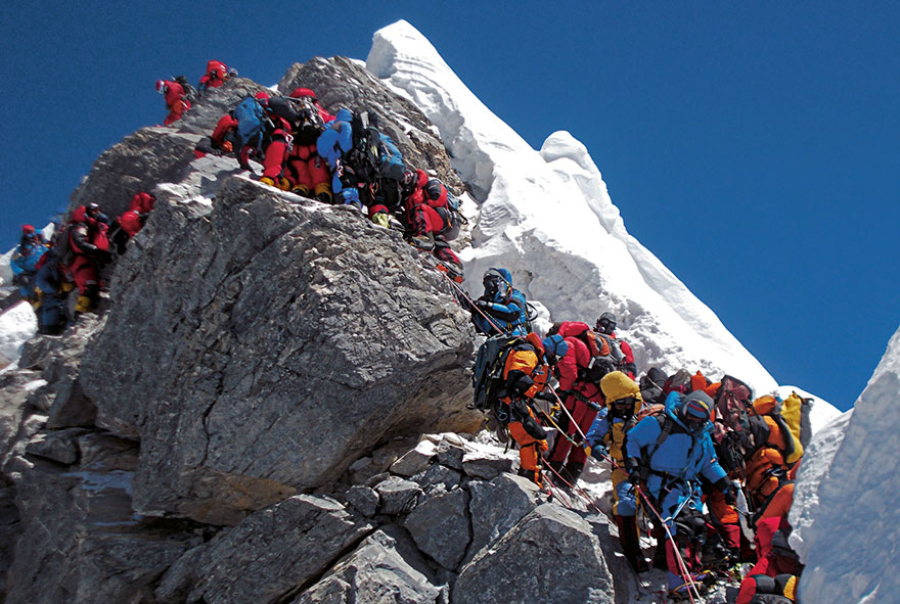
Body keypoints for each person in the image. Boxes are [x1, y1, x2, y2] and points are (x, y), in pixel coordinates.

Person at [624, 390, 734, 598]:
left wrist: (725, 484)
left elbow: (710, 463)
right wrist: (634, 466)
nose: (692, 418)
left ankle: (693, 573)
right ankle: (679, 580)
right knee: (679, 525)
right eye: (690, 411)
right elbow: (633, 441)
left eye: (699, 415)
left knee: (698, 527)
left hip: (689, 488)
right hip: (660, 482)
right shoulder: (661, 422)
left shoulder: (701, 435)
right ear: (684, 406)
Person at [585, 371, 648, 572]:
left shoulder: (647, 411)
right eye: (619, 403)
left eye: (628, 402)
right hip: (623, 468)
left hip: (653, 468)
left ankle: (667, 555)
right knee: (627, 503)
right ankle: (632, 552)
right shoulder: (606, 415)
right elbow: (592, 437)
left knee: (661, 507)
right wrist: (595, 447)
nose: (624, 407)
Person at [497, 332, 564, 487]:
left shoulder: (536, 357)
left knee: (539, 440)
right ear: (552, 351)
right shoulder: (528, 353)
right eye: (557, 356)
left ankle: (533, 478)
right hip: (512, 404)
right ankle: (529, 481)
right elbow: (516, 375)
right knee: (529, 439)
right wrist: (540, 395)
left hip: (520, 404)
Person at [545, 321, 604, 487]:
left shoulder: (568, 343)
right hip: (595, 398)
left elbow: (570, 374)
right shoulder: (583, 343)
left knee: (567, 432)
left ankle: (553, 469)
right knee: (582, 437)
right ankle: (570, 477)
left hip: (579, 396)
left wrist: (563, 391)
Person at [282, 88, 333, 201]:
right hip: (315, 148)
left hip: (297, 149)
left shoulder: (291, 114)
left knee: (301, 170)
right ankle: (323, 190)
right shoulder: (319, 112)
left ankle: (302, 188)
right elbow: (331, 121)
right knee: (318, 170)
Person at [64, 204, 111, 315]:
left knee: (92, 288)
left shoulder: (89, 227)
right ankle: (80, 317)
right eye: (94, 210)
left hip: (85, 262)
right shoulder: (80, 227)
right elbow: (80, 243)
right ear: (86, 213)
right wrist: (97, 251)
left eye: (98, 210)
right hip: (80, 262)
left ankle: (85, 314)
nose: (96, 213)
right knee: (88, 288)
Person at [470, 268, 529, 336]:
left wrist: (487, 306)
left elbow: (512, 313)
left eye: (492, 283)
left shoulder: (515, 296)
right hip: (495, 341)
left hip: (516, 337)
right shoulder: (488, 300)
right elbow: (480, 328)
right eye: (486, 284)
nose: (490, 288)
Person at [10, 225, 49, 302]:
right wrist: (21, 273)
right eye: (29, 232)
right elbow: (13, 262)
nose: (32, 236)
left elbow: (48, 252)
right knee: (26, 284)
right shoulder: (21, 249)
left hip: (41, 270)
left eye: (32, 232)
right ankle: (29, 299)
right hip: (28, 274)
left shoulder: (39, 246)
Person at [595, 312, 637, 378]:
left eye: (610, 326)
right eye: (604, 323)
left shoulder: (621, 345)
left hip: (611, 382)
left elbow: (631, 370)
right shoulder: (587, 339)